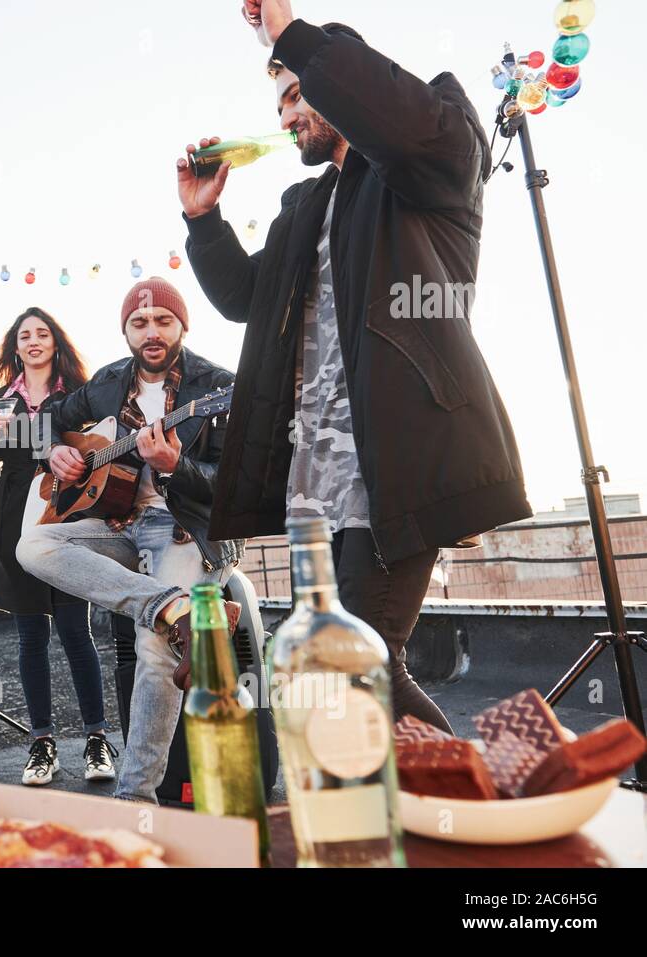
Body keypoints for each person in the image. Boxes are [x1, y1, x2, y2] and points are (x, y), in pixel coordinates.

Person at [179, 2, 533, 734]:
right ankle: (412, 818)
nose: (285, 119)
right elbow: (249, 299)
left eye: (295, 95)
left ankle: (473, 803)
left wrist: (290, 34)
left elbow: (389, 110)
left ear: (337, 79)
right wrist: (204, 222)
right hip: (318, 475)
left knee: (360, 661)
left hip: (398, 456)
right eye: (278, 104)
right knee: (341, 666)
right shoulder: (304, 204)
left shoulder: (428, 151)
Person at [16, 277, 243, 804]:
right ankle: (174, 606)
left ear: (182, 325)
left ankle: (135, 800)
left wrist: (176, 465)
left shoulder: (220, 386)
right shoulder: (109, 380)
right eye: (139, 324)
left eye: (163, 321)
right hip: (123, 525)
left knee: (152, 644)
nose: (152, 332)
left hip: (193, 529)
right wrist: (54, 453)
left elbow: (236, 488)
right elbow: (47, 421)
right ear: (126, 331)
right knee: (33, 547)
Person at [0, 307, 117, 787]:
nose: (33, 340)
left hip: (68, 515)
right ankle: (42, 744)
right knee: (31, 637)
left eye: (42, 333)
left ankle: (97, 740)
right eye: (24, 335)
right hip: (15, 519)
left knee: (77, 632)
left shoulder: (80, 395)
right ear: (15, 347)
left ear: (56, 342)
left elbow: (98, 447)